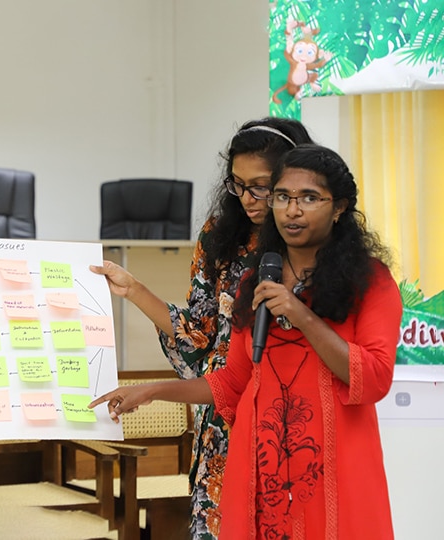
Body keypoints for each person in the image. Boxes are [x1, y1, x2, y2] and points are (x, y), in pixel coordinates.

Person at [90, 144, 401, 539]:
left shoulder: (370, 282)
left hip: (333, 472)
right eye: (283, 197)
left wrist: (301, 314)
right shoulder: (254, 280)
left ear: (339, 207)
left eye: (309, 198)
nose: (293, 209)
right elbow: (233, 383)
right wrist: (152, 390)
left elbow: (373, 378)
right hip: (258, 471)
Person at [90, 117, 313, 538]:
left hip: (292, 426)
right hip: (222, 423)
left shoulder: (313, 245)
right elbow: (197, 338)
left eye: (261, 186)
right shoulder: (219, 237)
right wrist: (134, 289)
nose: (248, 198)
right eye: (237, 184)